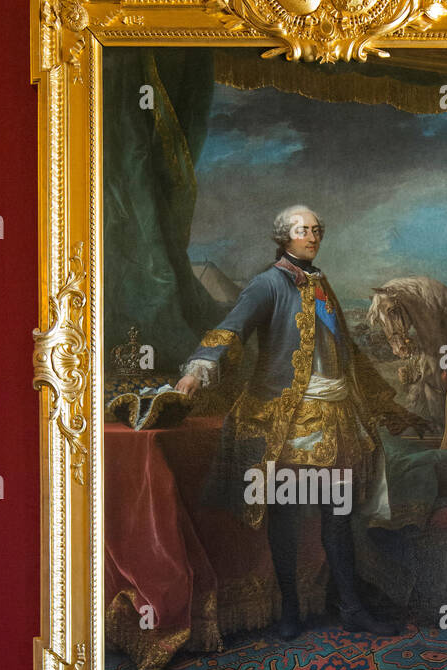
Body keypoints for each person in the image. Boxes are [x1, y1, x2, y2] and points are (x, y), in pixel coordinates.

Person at [175, 205, 427, 639]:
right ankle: (289, 611)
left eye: (316, 230)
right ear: (283, 237)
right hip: (289, 423)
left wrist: (391, 408)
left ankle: (352, 608)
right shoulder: (267, 284)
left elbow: (350, 356)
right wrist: (198, 369)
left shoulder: (322, 285)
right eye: (303, 230)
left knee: (339, 517)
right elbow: (229, 330)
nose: (312, 237)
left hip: (338, 419)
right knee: (287, 517)